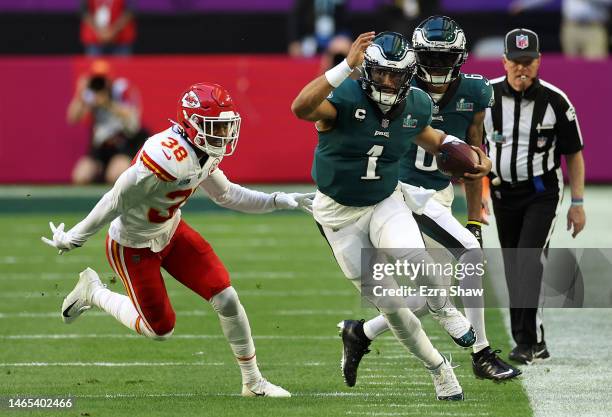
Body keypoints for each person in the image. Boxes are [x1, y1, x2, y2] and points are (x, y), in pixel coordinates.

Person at [43, 82, 315, 397]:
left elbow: (226, 194)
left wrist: (279, 200)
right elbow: (116, 198)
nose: (225, 133)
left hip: (171, 231)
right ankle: (94, 292)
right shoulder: (165, 155)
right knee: (160, 330)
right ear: (193, 123)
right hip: (133, 245)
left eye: (227, 124)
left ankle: (253, 382)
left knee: (226, 297)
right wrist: (76, 236)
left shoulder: (204, 152)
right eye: (218, 125)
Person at [292, 31, 491, 401]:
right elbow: (300, 108)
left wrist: (470, 155)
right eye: (380, 73)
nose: (387, 81)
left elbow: (433, 139)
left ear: (407, 75)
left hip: (384, 201)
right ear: (366, 69)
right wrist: (344, 66)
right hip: (339, 218)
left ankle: (444, 309)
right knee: (394, 308)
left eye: (396, 75)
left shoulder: (414, 104)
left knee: (414, 255)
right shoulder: (346, 97)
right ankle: (439, 369)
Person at [338, 16, 521, 384]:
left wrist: (474, 216)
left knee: (430, 295)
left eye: (444, 59)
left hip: (439, 194)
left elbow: (474, 158)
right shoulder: (397, 84)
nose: (436, 68)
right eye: (430, 59)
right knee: (470, 253)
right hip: (403, 193)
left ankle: (360, 332)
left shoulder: (474, 92)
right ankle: (482, 353)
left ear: (459, 58)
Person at [484, 29, 586, 364]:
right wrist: (481, 190)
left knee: (527, 261)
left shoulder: (556, 101)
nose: (521, 68)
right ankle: (531, 339)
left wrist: (578, 203)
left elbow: (574, 153)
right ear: (505, 61)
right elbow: (474, 145)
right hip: (502, 193)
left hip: (541, 192)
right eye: (515, 61)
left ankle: (527, 341)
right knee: (514, 265)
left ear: (539, 62)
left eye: (528, 62)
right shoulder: (487, 97)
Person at [66, 60, 147, 185]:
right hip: (100, 146)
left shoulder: (121, 90)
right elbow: (72, 118)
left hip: (122, 144)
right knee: (81, 176)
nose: (100, 83)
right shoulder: (90, 94)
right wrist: (80, 95)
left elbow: (132, 118)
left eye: (103, 79)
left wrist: (107, 103)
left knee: (115, 175)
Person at [510, 0, 611, 60]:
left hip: (594, 29)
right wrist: (524, 4)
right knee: (572, 67)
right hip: (571, 28)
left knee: (595, 67)